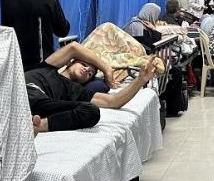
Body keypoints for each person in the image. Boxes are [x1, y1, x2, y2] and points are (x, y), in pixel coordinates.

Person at [28, 41, 157, 133]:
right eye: (83, 65)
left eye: (90, 73)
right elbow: (73, 47)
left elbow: (113, 101)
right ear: (69, 62)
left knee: (92, 111)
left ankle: (37, 126)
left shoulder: (77, 91)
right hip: (20, 90)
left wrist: (140, 80)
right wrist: (106, 69)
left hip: (38, 104)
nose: (86, 70)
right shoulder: (48, 67)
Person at [1, 0, 71, 71]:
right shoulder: (48, 0)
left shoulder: (1, 1)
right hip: (42, 71)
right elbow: (63, 30)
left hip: (11, 70)